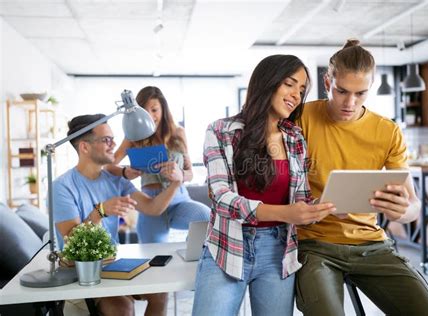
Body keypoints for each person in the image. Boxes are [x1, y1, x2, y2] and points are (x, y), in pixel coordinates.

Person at [295, 39, 428, 315]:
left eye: (361, 93)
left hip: (373, 246)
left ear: (371, 88)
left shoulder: (387, 131)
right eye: (341, 91)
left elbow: (413, 208)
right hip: (314, 247)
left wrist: (404, 211)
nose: (350, 103)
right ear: (328, 83)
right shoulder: (301, 118)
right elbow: (276, 183)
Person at [192, 54, 336, 316]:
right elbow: (221, 198)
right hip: (227, 244)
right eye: (289, 84)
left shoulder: (294, 138)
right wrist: (286, 213)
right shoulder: (221, 131)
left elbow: (301, 198)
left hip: (279, 252)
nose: (296, 94)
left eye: (302, 90)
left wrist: (326, 207)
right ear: (267, 82)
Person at [53, 114, 182, 316]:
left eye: (113, 138)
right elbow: (71, 240)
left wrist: (176, 183)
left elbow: (152, 208)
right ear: (84, 147)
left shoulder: (115, 180)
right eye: (106, 140)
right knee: (123, 307)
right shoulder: (62, 187)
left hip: (113, 264)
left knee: (160, 293)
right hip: (81, 269)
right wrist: (100, 211)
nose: (114, 144)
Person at [107, 86, 210, 243]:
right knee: (152, 257)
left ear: (163, 109)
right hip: (150, 203)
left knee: (207, 217)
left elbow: (190, 173)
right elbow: (108, 165)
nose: (150, 115)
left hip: (179, 199)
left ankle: (192, 251)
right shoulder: (133, 137)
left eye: (154, 110)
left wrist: (180, 175)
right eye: (144, 110)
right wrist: (124, 172)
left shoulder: (178, 133)